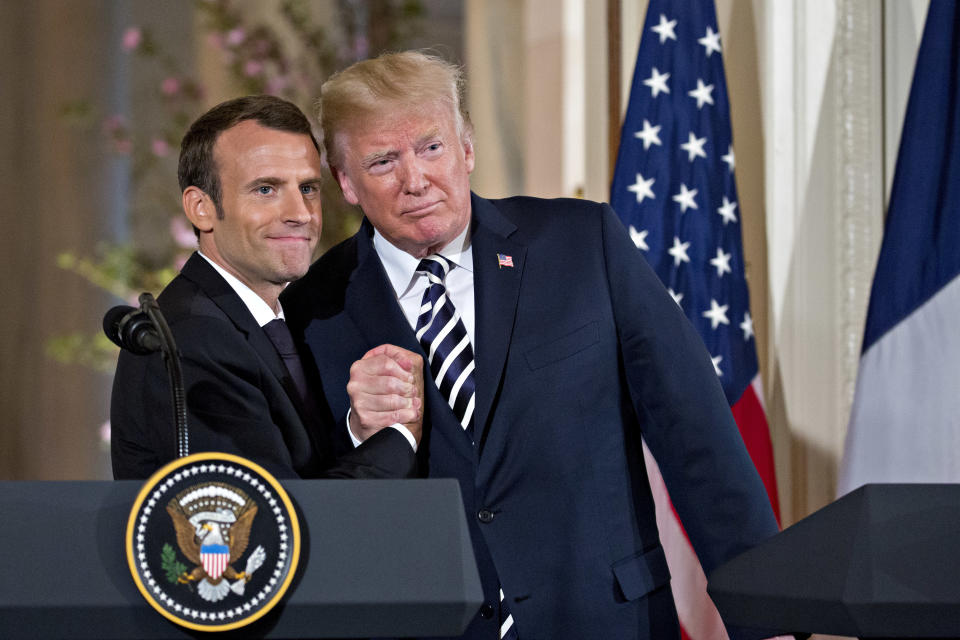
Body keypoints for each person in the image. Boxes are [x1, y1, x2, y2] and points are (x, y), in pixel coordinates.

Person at [282, 52, 779, 639]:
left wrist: (767, 616)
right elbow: (309, 513)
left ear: (467, 149)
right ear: (345, 182)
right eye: (383, 161)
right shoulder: (313, 310)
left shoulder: (582, 244)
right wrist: (357, 434)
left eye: (432, 147)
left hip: (606, 619)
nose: (415, 180)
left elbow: (698, 439)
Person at [111, 95, 423, 481]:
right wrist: (398, 436)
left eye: (308, 188)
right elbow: (273, 519)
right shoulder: (192, 341)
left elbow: (299, 466)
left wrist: (360, 432)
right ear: (201, 208)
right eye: (266, 189)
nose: (300, 213)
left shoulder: (272, 319)